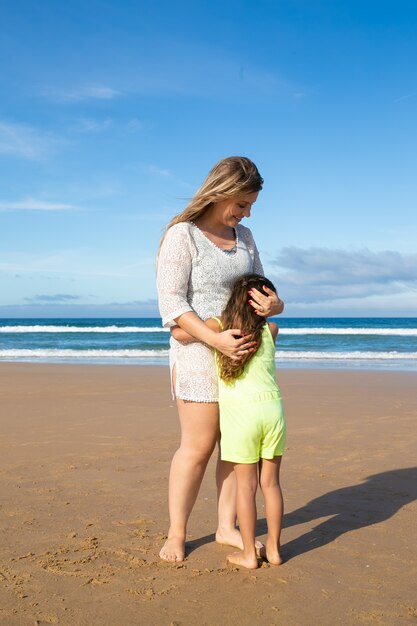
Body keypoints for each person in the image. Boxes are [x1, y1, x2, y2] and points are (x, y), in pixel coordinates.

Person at [156, 156, 284, 562]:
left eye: (249, 207)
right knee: (198, 445)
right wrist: (215, 339)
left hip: (241, 355)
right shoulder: (183, 235)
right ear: (221, 192)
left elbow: (260, 286)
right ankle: (177, 534)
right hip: (198, 351)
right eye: (241, 204)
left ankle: (226, 526)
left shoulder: (245, 236)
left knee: (237, 446)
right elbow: (173, 304)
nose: (245, 214)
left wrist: (276, 304)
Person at [172, 273, 286, 569]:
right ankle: (273, 550)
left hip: (241, 418)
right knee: (271, 485)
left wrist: (206, 329)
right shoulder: (271, 329)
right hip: (274, 414)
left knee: (246, 488)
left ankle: (249, 554)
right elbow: (267, 324)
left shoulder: (220, 326)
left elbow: (179, 333)